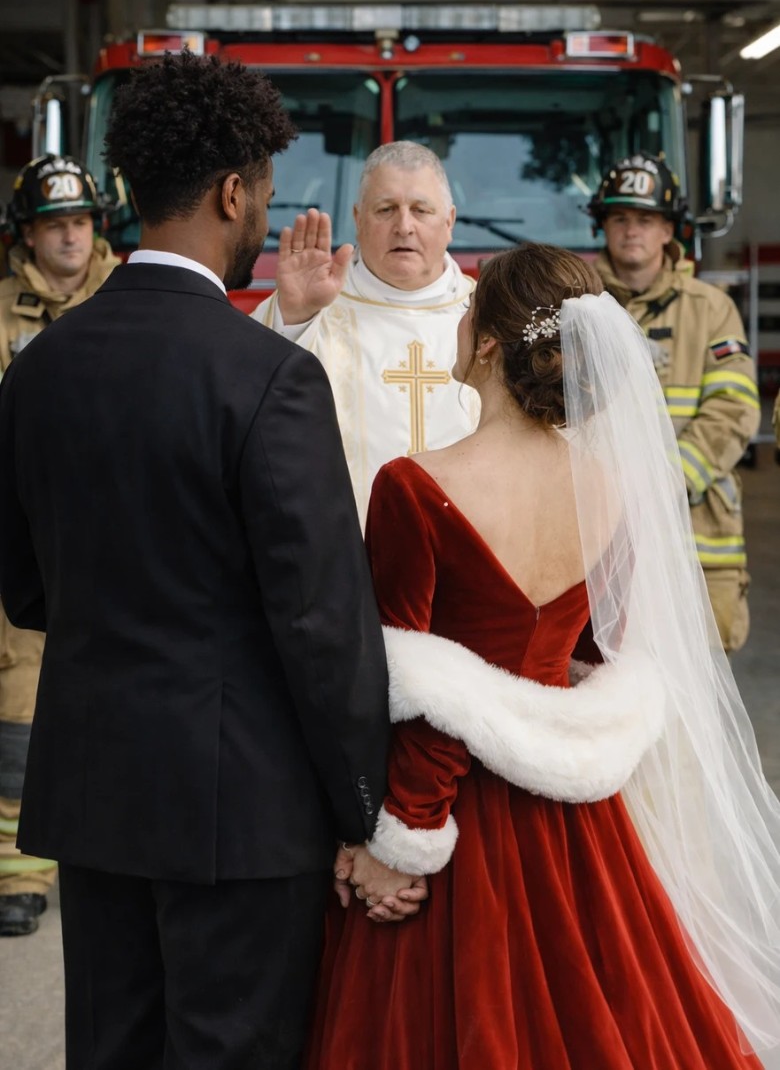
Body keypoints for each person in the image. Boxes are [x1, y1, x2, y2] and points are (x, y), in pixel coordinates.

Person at [0, 52, 396, 1070]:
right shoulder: (271, 378)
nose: (266, 212)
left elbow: (27, 586)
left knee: (113, 1050)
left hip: (95, 798)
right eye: (264, 190)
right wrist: (366, 809)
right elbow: (322, 623)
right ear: (231, 193)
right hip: (242, 816)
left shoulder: (41, 368)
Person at [304, 243, 780, 1069]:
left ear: (489, 344)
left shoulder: (415, 486)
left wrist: (394, 844)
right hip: (575, 823)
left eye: (468, 308)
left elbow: (416, 687)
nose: (456, 318)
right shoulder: (612, 483)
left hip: (455, 821)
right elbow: (596, 651)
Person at [0, 154, 119, 937]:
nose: (69, 237)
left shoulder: (130, 296)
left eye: (79, 221)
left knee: (119, 691)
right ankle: (20, 869)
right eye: (53, 225)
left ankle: (108, 851)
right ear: (28, 236)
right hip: (23, 528)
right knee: (19, 697)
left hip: (116, 532)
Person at [252, 141, 478, 525]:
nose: (404, 226)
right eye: (386, 209)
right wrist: (291, 317)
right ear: (358, 218)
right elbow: (249, 402)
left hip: (470, 557)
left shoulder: (489, 315)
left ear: (450, 221)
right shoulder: (312, 305)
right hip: (349, 557)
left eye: (421, 210)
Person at [588, 152, 760, 653]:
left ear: (668, 231)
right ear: (604, 227)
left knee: (697, 678)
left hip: (697, 537)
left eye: (645, 219)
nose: (631, 230)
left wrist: (669, 481)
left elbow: (734, 408)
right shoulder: (580, 305)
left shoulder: (710, 309)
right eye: (620, 218)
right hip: (604, 534)